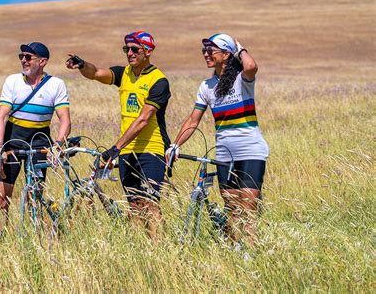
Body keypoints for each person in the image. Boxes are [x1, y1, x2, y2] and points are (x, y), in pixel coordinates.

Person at [167, 33, 269, 247]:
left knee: (248, 207)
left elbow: (251, 66)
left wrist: (239, 47)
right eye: (203, 51)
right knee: (231, 208)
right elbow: (193, 121)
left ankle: (250, 255)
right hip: (224, 153)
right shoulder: (206, 86)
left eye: (210, 51)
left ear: (225, 54)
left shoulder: (242, 78)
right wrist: (175, 145)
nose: (205, 55)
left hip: (250, 149)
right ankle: (234, 252)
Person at [65, 31, 171, 238]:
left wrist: (115, 148)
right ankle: (140, 249)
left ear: (148, 51)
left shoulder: (159, 81)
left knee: (150, 203)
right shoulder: (125, 74)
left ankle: (160, 248)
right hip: (127, 151)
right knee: (134, 205)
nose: (129, 53)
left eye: (134, 49)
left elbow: (143, 119)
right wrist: (81, 64)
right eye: (126, 49)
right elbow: (96, 73)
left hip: (152, 149)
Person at [0, 42, 71, 235]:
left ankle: (35, 236)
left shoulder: (56, 85)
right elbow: (1, 117)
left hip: (40, 141)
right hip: (12, 139)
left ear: (42, 61)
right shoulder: (12, 81)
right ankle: (1, 239)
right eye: (22, 56)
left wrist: (58, 145)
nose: (24, 60)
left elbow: (65, 121)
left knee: (34, 197)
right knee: (1, 199)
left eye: (29, 57)